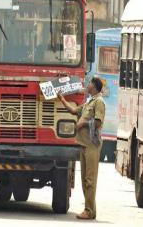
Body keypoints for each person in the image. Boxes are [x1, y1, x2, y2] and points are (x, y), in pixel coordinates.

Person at [57, 77, 105, 220]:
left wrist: (83, 123)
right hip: (84, 144)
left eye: (90, 83)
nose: (88, 85)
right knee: (85, 179)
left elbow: (97, 123)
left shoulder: (99, 103)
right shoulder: (89, 102)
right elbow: (73, 111)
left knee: (90, 180)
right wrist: (62, 99)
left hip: (92, 145)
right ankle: (91, 210)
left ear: (95, 87)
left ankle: (88, 210)